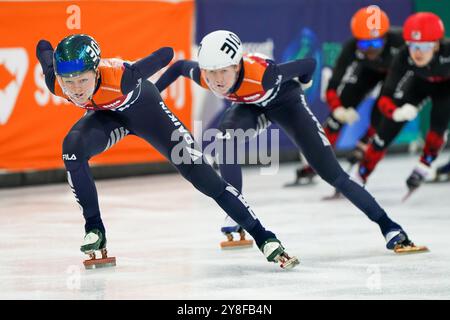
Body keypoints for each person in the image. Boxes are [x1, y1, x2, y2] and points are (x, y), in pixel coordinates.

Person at [36, 34, 300, 269]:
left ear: (96, 72)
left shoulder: (123, 78)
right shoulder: (55, 80)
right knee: (71, 148)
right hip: (108, 118)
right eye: (68, 82)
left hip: (148, 114)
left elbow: (166, 54)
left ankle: (263, 235)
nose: (76, 90)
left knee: (203, 177)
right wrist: (49, 48)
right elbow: (44, 50)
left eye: (82, 80)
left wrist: (140, 68)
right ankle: (94, 227)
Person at [155, 30, 427, 253]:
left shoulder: (264, 74)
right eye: (210, 73)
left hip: (286, 102)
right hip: (251, 107)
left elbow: (309, 63)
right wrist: (151, 95)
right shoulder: (207, 76)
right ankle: (234, 213)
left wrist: (306, 83)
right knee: (226, 143)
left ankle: (389, 226)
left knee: (334, 175)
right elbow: (178, 67)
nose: (216, 81)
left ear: (237, 65)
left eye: (223, 72)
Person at [295, 6, 404, 184]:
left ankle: (365, 145)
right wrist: (338, 109)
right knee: (342, 106)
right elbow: (333, 86)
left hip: (395, 74)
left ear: (385, 37)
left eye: (375, 44)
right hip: (367, 73)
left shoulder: (400, 40)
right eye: (364, 44)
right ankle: (315, 164)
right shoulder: (351, 47)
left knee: (381, 112)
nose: (370, 51)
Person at [357, 12, 450, 195]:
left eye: (424, 46)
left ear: (437, 45)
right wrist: (395, 113)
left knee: (439, 121)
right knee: (387, 128)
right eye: (413, 45)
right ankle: (361, 174)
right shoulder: (402, 56)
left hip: (446, 88)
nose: (417, 52)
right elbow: (385, 97)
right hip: (419, 84)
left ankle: (424, 165)